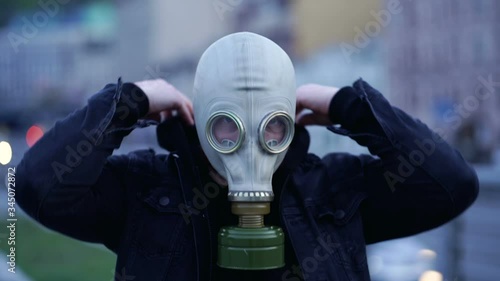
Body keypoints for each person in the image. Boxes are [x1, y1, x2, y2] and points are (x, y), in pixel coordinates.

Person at [16, 32, 479, 281]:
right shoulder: (148, 191)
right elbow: (37, 185)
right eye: (227, 126)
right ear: (196, 117)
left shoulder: (336, 189)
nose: (253, 146)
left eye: (272, 126)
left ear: (292, 119)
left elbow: (451, 184)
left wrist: (348, 105)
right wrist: (131, 99)